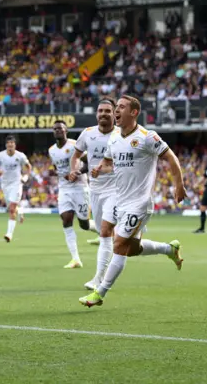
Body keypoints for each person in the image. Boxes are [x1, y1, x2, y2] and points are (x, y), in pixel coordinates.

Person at [79, 95, 185, 308]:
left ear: (134, 112)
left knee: (118, 244)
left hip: (139, 203)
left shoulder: (147, 137)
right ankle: (168, 249)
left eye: (121, 107)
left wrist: (178, 185)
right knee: (130, 248)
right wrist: (101, 168)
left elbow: (170, 157)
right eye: (116, 107)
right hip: (120, 200)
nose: (116, 110)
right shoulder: (115, 138)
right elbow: (110, 162)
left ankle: (99, 292)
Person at [69, 98, 118, 289]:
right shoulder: (88, 134)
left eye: (107, 111)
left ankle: (98, 279)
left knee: (105, 233)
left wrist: (105, 170)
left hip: (116, 189)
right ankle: (167, 249)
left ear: (114, 114)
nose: (103, 114)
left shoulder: (121, 135)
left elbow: (125, 163)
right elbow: (76, 155)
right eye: (100, 111)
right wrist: (75, 169)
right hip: (95, 190)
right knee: (117, 239)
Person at [48, 120, 97, 269]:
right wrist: (60, 174)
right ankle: (75, 259)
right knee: (66, 220)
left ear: (66, 131)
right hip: (64, 189)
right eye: (55, 129)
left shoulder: (75, 145)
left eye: (60, 129)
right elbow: (58, 168)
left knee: (84, 224)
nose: (58, 131)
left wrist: (77, 173)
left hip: (80, 188)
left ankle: (106, 232)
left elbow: (90, 163)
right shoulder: (51, 150)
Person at [0, 135, 31, 243]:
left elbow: (28, 166)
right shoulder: (0, 156)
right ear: (6, 145)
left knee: (12, 209)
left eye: (12, 144)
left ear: (15, 145)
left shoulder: (20, 156)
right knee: (12, 207)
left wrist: (26, 177)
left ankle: (9, 234)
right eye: (8, 144)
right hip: (5, 184)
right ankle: (20, 211)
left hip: (16, 183)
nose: (10, 146)